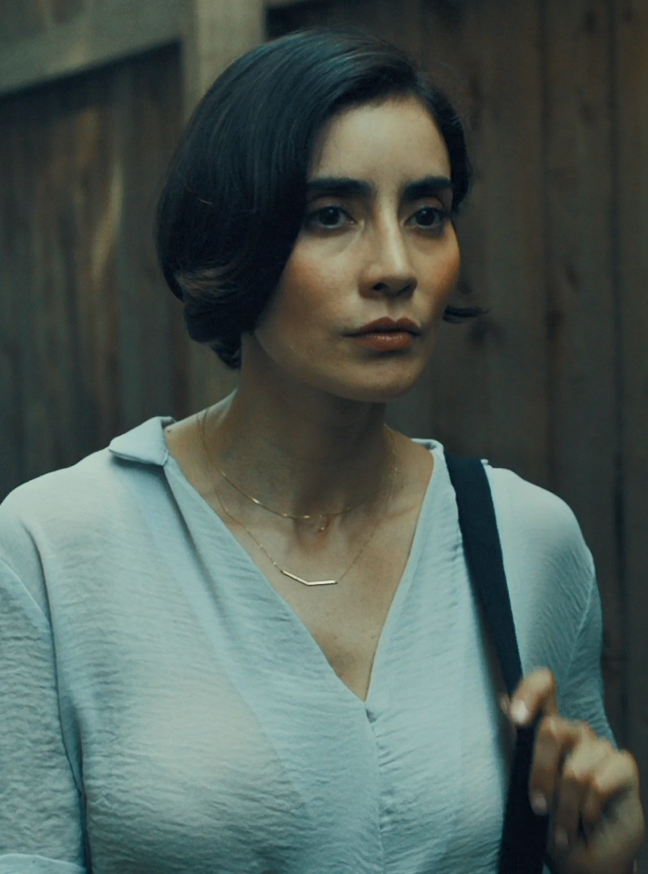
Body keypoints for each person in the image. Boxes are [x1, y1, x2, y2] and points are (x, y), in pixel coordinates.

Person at [0, 27, 643, 874]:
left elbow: (573, 829)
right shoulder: (54, 547)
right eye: (330, 215)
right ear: (232, 236)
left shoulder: (528, 540)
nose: (394, 266)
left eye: (427, 215)